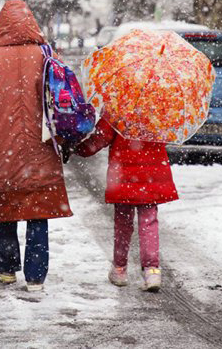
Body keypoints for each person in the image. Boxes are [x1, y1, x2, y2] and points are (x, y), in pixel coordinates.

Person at [0, 0, 72, 292]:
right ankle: (36, 275)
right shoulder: (46, 55)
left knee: (8, 202)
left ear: (0, 25)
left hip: (4, 147)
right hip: (42, 144)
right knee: (38, 207)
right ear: (31, 23)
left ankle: (6, 266)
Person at [74, 118, 178, 292]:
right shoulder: (160, 107)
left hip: (123, 174)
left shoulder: (117, 106)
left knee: (123, 223)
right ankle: (152, 270)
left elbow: (100, 138)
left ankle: (120, 269)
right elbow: (168, 136)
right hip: (151, 174)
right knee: (149, 223)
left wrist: (78, 148)